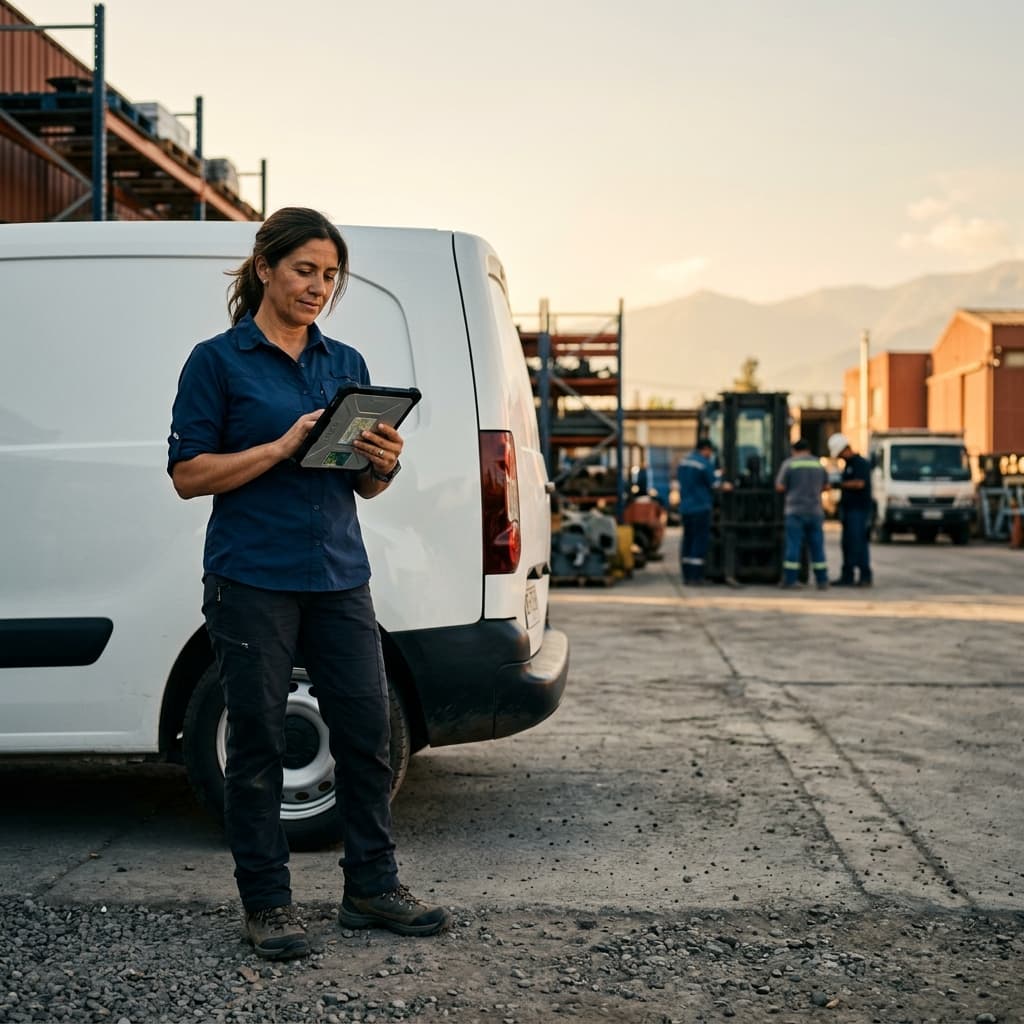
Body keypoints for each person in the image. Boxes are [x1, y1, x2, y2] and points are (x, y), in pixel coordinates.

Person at [167, 207, 450, 961]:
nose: (318, 286)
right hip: (251, 578)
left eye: (330, 275)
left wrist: (381, 463)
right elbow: (189, 476)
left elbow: (360, 487)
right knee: (257, 742)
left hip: (338, 576)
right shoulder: (218, 361)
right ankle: (268, 903)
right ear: (265, 268)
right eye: (305, 270)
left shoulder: (345, 362)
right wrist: (281, 444)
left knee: (367, 735)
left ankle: (372, 888)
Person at [775, 438, 830, 590]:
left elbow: (779, 486)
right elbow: (827, 485)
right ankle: (822, 580)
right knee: (817, 546)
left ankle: (791, 580)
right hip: (815, 511)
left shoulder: (789, 464)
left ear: (794, 450)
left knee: (793, 546)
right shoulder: (818, 463)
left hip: (795, 511)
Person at [677, 438, 728, 584]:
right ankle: (696, 576)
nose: (709, 454)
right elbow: (715, 484)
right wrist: (727, 486)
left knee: (688, 540)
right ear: (705, 449)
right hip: (700, 507)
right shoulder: (704, 463)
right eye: (709, 451)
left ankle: (687, 575)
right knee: (699, 541)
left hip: (686, 507)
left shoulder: (684, 462)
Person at [827, 431, 873, 587]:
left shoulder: (861, 463)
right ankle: (847, 576)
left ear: (844, 449)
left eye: (840, 453)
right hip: (848, 510)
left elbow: (860, 483)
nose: (839, 457)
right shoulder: (848, 465)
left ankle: (865, 576)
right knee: (847, 544)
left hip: (859, 511)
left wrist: (839, 485)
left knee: (858, 543)